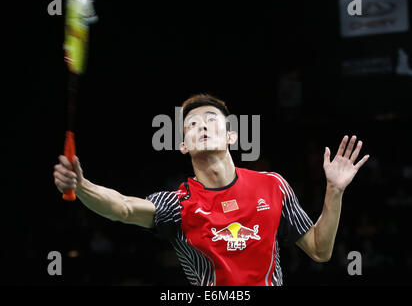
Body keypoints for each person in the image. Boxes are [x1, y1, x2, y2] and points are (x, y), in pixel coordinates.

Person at [53, 93, 369, 286]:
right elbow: (122, 207)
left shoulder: (272, 185)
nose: (202, 125)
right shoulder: (177, 204)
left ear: (231, 136)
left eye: (211, 119)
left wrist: (334, 191)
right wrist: (81, 185)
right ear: (181, 146)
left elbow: (319, 249)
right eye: (192, 124)